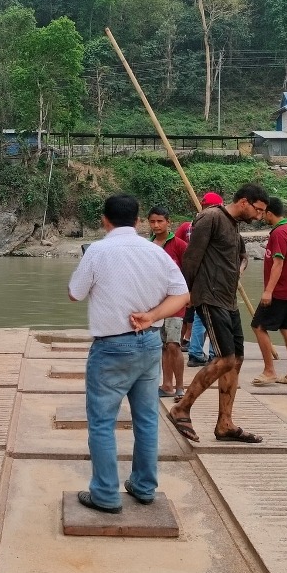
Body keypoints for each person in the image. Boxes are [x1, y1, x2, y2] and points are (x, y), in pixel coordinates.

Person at [69, 194, 189, 514]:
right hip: (149, 342)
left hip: (110, 347)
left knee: (102, 422)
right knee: (147, 419)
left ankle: (106, 494)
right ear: (138, 221)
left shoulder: (97, 251)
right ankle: (144, 486)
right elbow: (182, 295)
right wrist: (151, 316)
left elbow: (74, 293)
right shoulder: (156, 252)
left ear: (104, 220)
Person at [166, 183, 270, 444]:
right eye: (258, 210)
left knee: (236, 360)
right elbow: (191, 258)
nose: (259, 216)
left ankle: (225, 423)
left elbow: (243, 256)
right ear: (244, 202)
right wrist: (186, 295)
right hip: (209, 297)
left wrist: (240, 269)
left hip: (228, 299)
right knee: (224, 359)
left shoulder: (234, 226)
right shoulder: (210, 217)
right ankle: (181, 408)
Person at [249, 197, 287, 386]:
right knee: (286, 328)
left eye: (263, 212)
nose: (261, 216)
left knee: (258, 326)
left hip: (279, 290)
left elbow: (278, 263)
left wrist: (268, 291)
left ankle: (269, 370)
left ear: (269, 213)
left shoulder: (279, 233)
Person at [146, 206, 188, 399]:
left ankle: (180, 386)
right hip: (156, 303)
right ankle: (167, 384)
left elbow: (190, 270)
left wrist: (190, 295)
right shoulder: (148, 245)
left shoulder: (179, 245)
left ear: (168, 222)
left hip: (176, 301)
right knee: (163, 345)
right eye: (152, 221)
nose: (156, 225)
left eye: (160, 221)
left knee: (173, 345)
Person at [181, 191, 223, 367]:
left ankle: (195, 352)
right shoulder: (215, 224)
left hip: (196, 277)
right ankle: (213, 353)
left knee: (200, 316)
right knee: (217, 316)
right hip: (213, 277)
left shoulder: (191, 225)